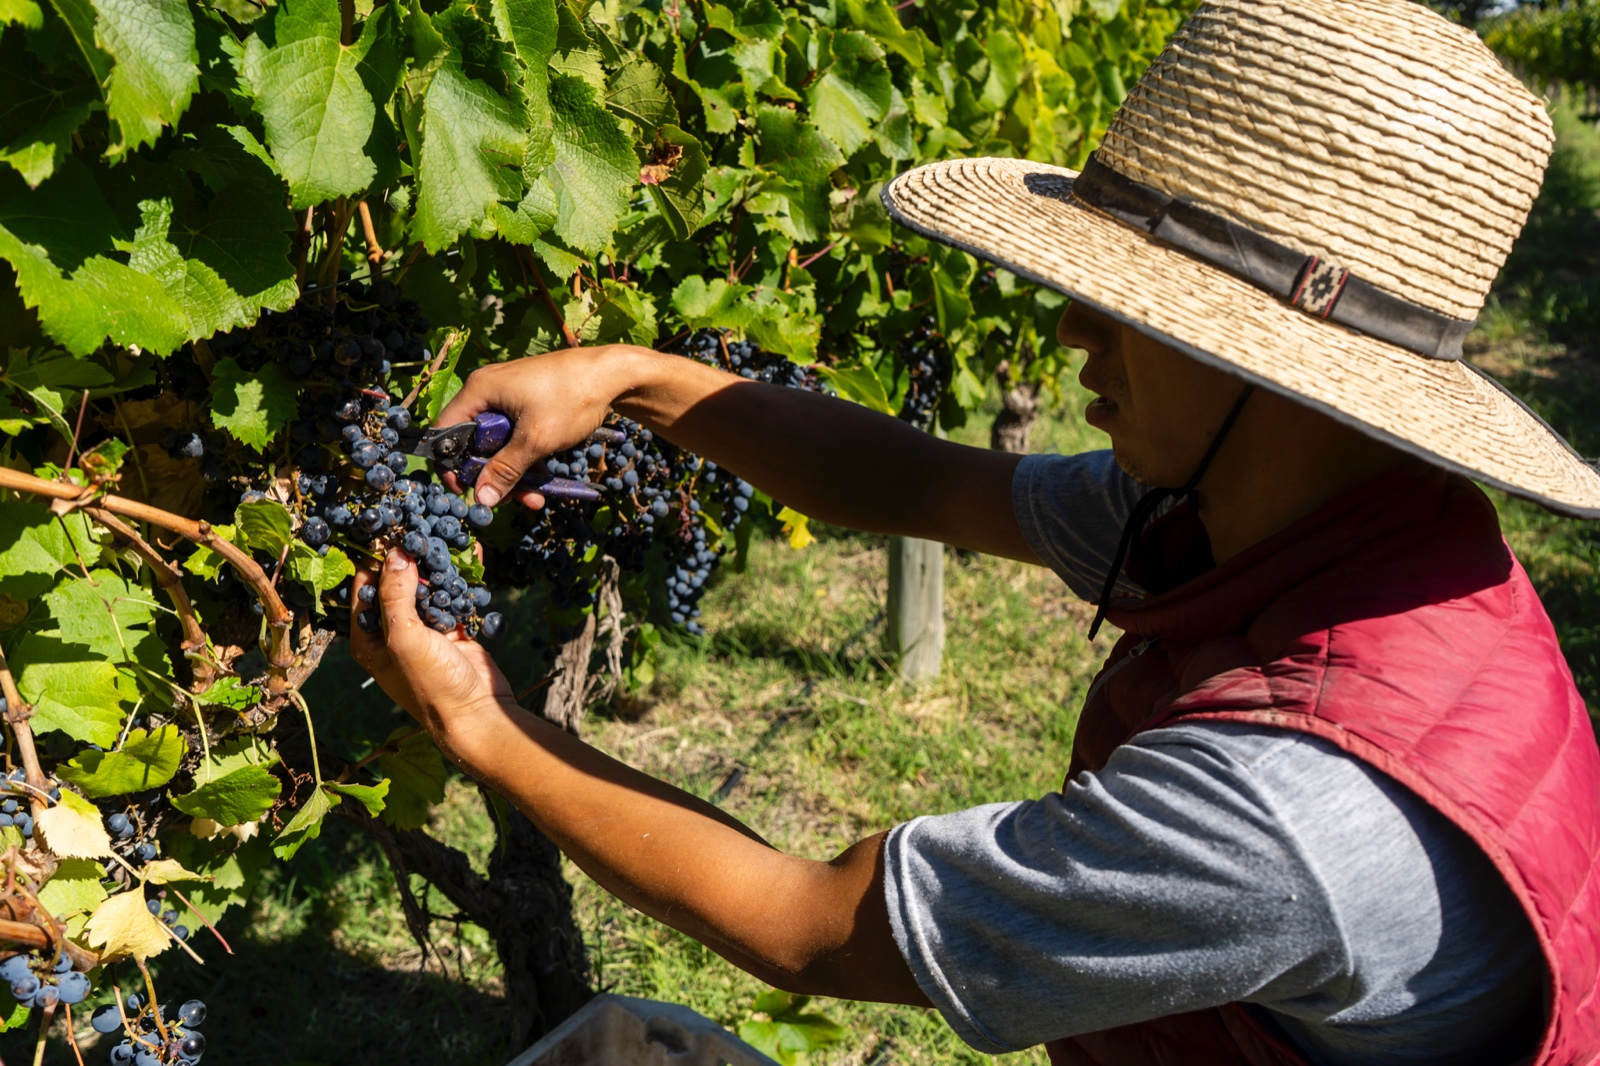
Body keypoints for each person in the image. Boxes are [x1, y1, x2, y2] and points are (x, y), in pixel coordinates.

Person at [350, 0, 1600, 1062]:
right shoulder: (1330, 522)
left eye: (1131, 309)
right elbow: (929, 487)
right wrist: (635, 380)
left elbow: (809, 923)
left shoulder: (1291, 814)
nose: (1070, 336)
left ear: (1274, 372)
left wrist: (481, 722)